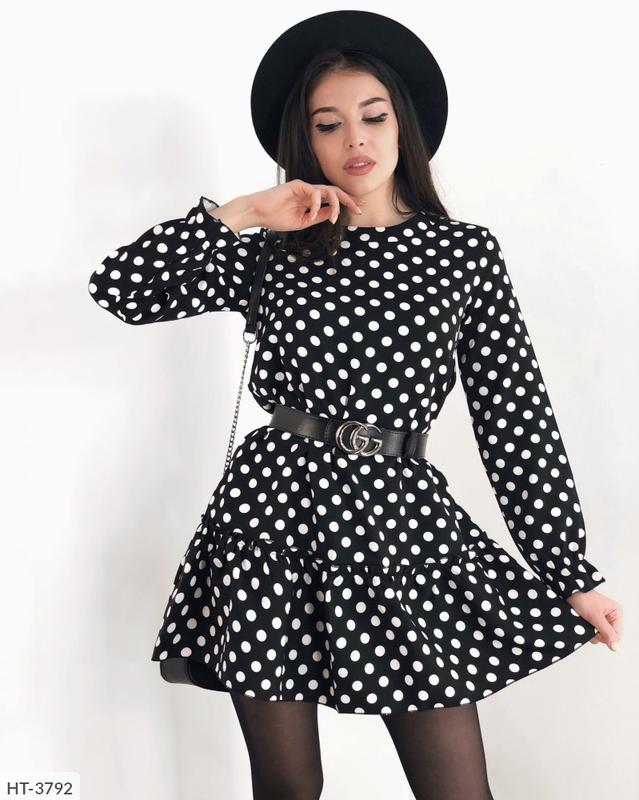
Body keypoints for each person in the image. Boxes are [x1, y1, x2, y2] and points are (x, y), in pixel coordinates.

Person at [87, 10, 623, 800]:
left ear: (403, 124)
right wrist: (243, 213)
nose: (354, 140)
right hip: (272, 521)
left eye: (372, 116)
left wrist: (567, 569)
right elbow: (121, 290)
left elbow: (515, 420)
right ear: (305, 142)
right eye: (327, 124)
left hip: (399, 524)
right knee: (288, 787)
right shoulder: (275, 251)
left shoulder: (460, 253)